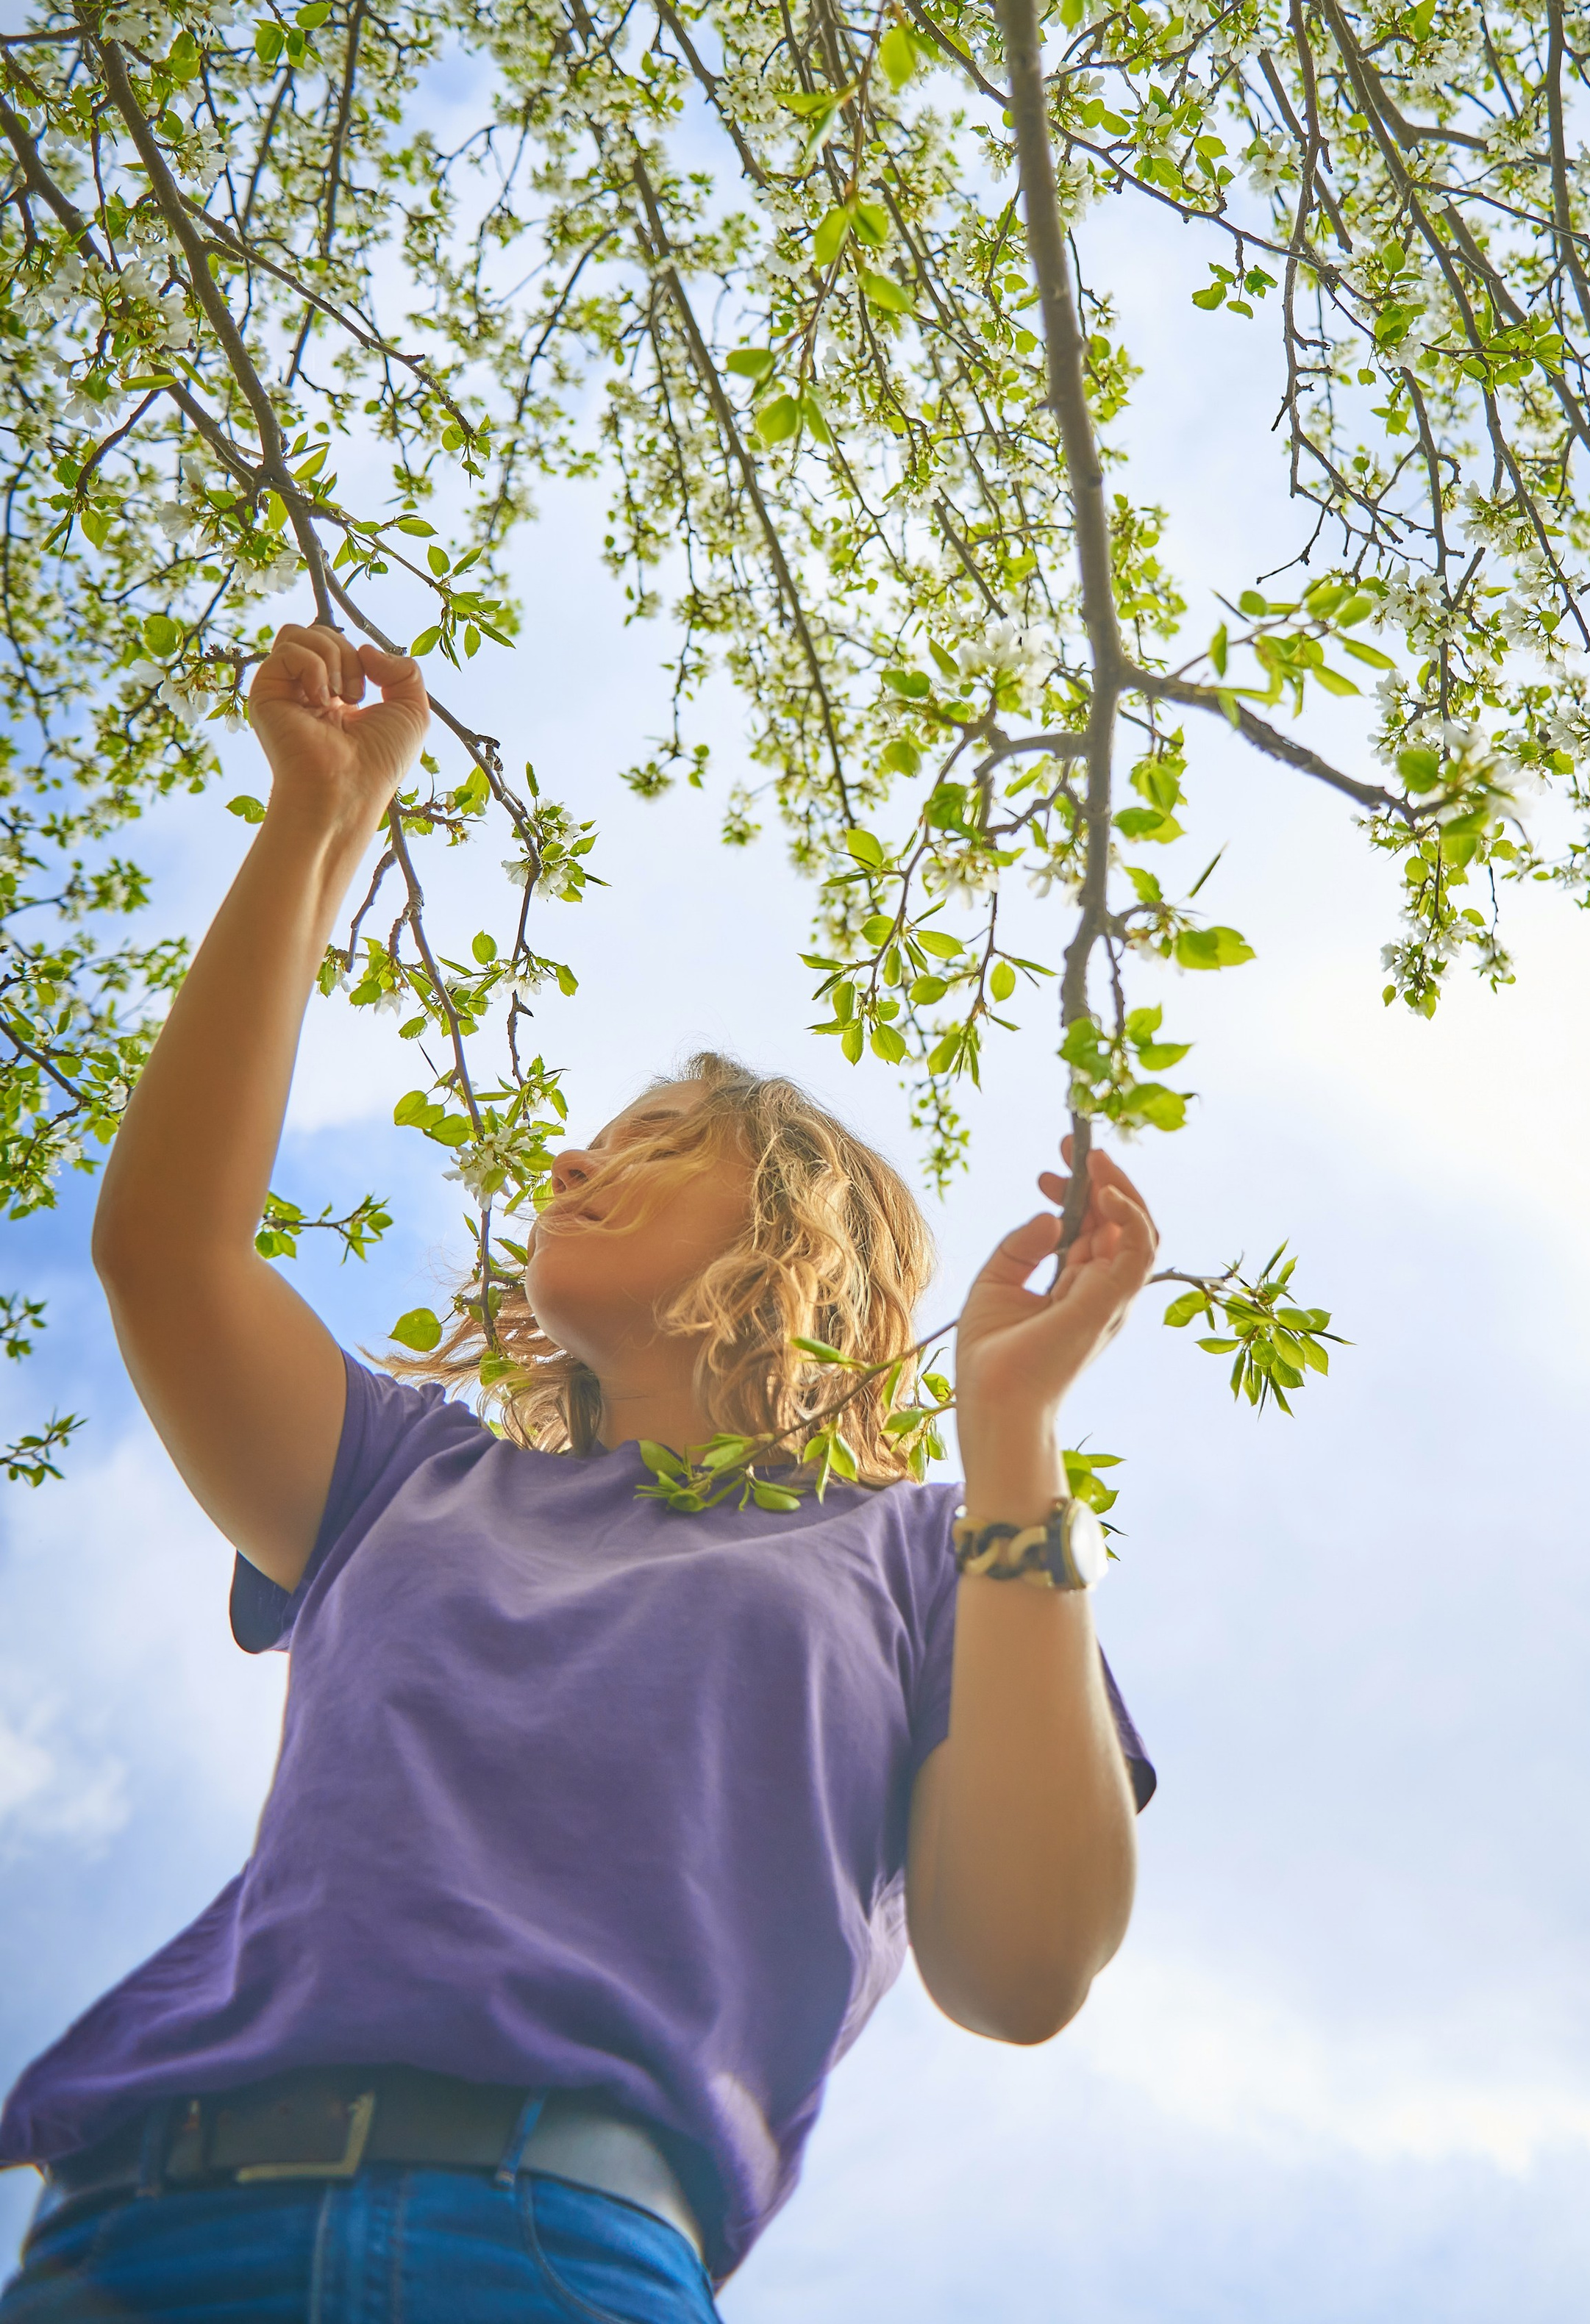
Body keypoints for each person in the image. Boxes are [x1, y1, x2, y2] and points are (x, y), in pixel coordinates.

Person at [0, 624, 1157, 2321]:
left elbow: (1026, 1962)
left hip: (552, 2250)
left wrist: (1010, 1447)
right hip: (144, 2238)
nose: (567, 1156)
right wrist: (318, 819)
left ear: (787, 1231)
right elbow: (168, 1249)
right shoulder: (406, 1477)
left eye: (651, 1139)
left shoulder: (931, 1555)